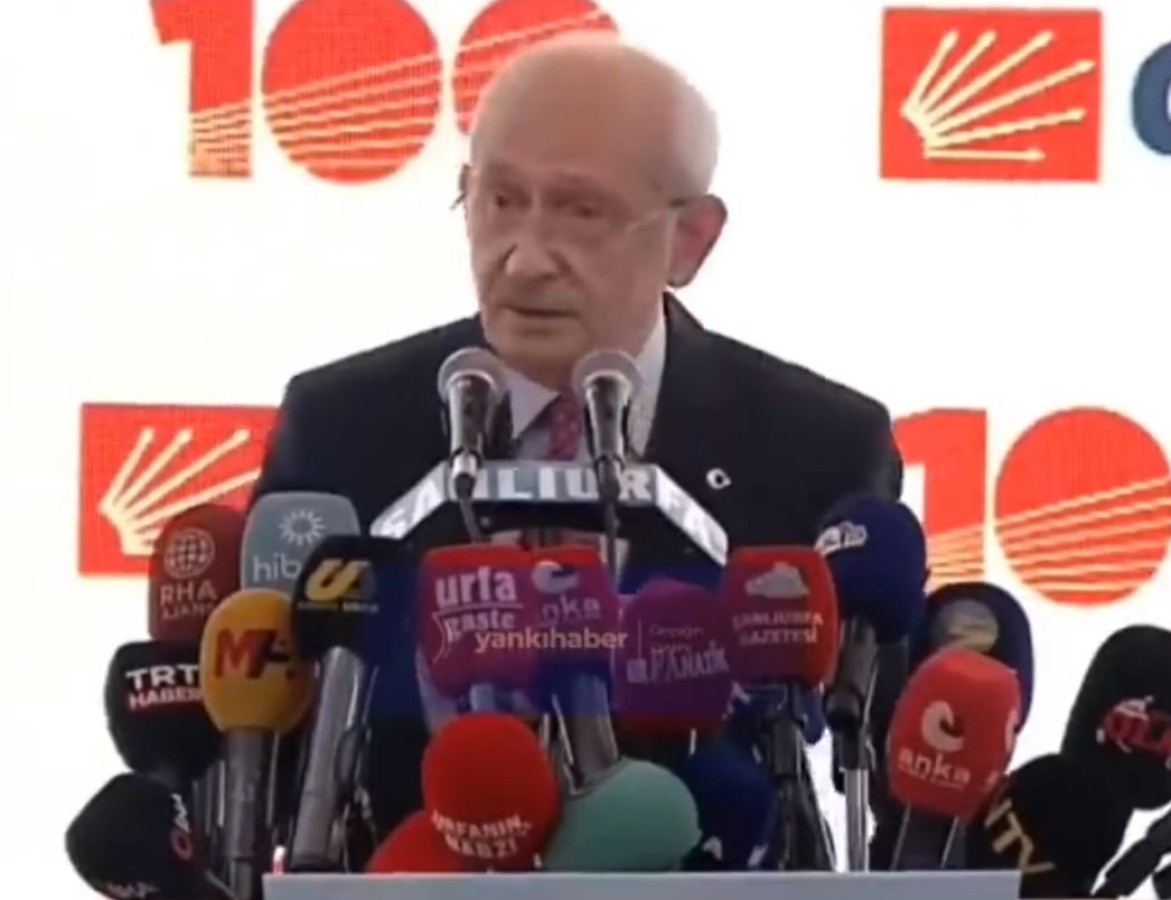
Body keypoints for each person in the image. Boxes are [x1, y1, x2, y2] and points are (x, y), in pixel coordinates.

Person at [252, 34, 903, 844]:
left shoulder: (820, 447)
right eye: (499, 201)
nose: (524, 260)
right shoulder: (341, 425)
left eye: (580, 212)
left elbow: (885, 774)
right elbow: (265, 746)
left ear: (689, 240)